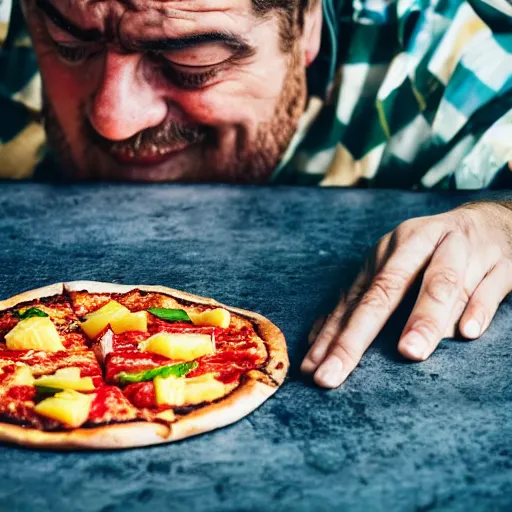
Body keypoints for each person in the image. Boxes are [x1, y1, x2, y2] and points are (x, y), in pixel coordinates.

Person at [1, 0, 511, 389]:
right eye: (69, 43)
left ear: (309, 19)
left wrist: (501, 222)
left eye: (191, 64)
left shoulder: (447, 57)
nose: (113, 119)